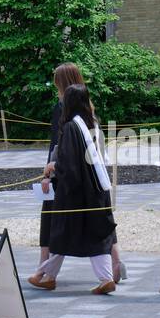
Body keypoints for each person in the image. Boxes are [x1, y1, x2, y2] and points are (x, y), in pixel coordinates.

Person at [29, 84, 117, 294]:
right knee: (94, 235)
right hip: (95, 190)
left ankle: (47, 275)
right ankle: (103, 278)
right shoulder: (90, 125)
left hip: (75, 194)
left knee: (62, 234)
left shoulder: (70, 128)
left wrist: (53, 167)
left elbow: (69, 164)